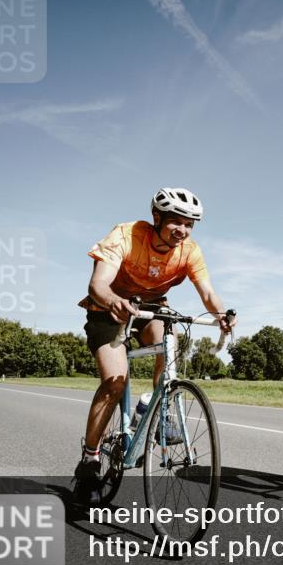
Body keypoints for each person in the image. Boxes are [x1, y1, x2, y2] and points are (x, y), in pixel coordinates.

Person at [72, 188, 235, 504]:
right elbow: (98, 284)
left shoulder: (189, 250)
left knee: (168, 345)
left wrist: (221, 314)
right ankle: (91, 459)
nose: (183, 231)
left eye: (190, 225)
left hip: (150, 308)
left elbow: (208, 293)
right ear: (157, 218)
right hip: (107, 308)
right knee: (115, 381)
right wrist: (112, 301)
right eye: (176, 222)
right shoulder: (126, 235)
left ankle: (159, 411)